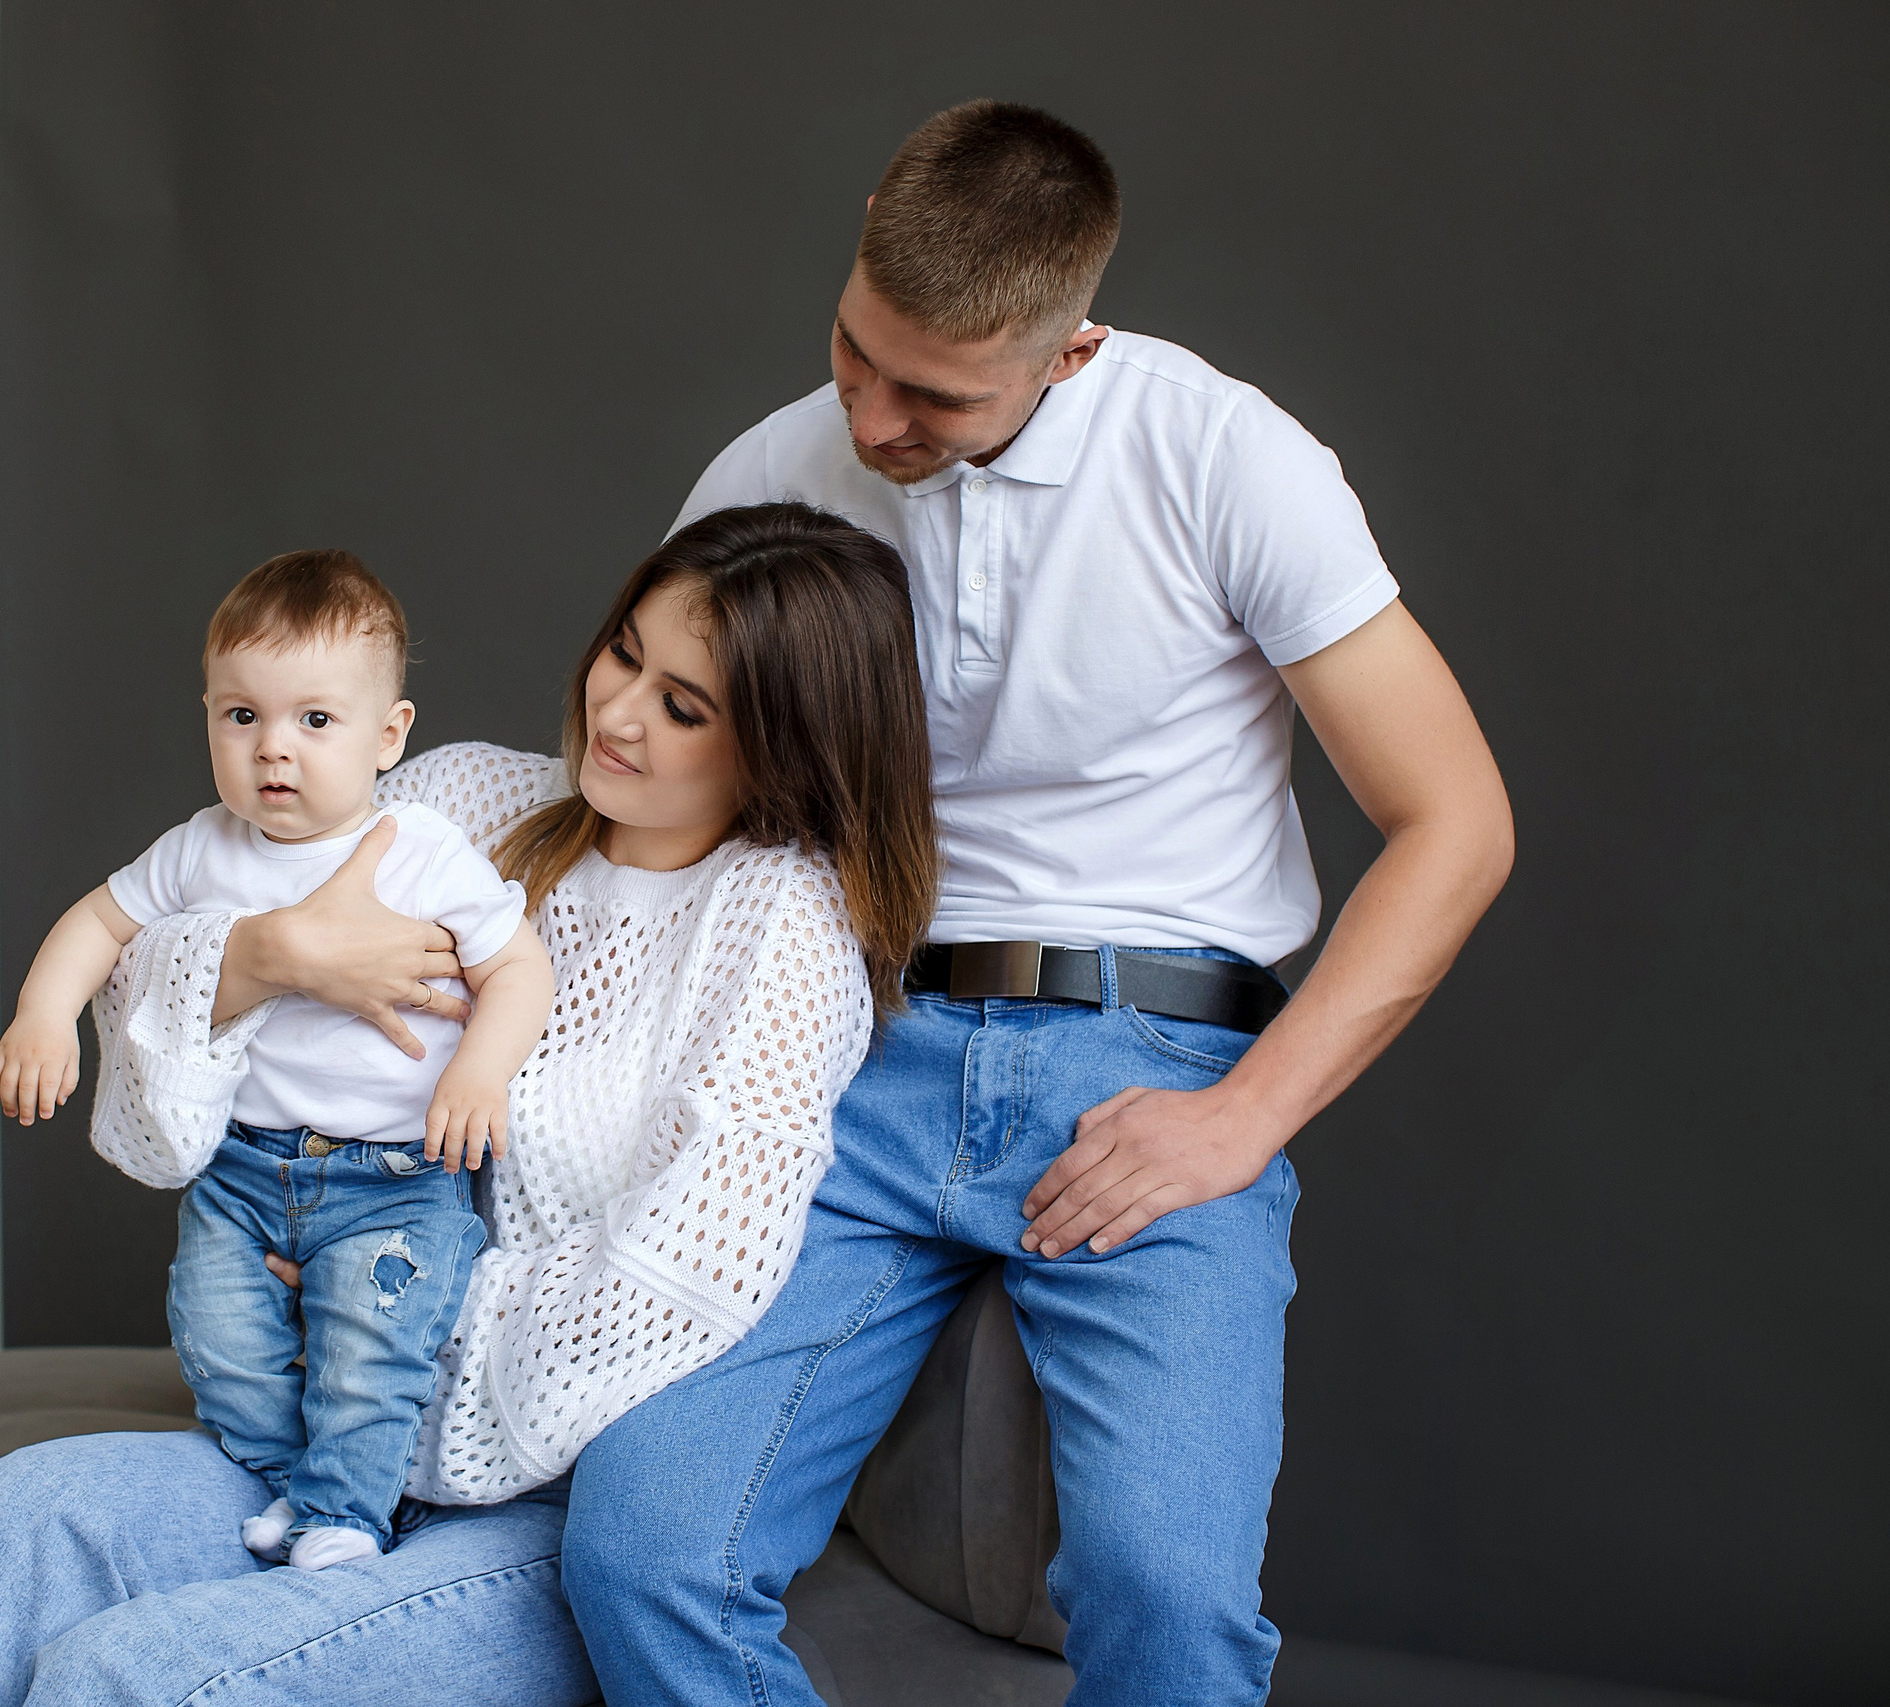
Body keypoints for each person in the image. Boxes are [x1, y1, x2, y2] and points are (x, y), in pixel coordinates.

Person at [556, 102, 1516, 1707]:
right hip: (849, 1050)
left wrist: (1242, 1121)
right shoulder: (770, 472)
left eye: (934, 396)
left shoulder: (1224, 458)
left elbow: (1458, 823)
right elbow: (656, 796)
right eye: (855, 352)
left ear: (1072, 350)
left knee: (1166, 1595)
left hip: (1154, 1060)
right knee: (643, 1548)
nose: (870, 417)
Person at [0, 503, 940, 1705]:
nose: (615, 713)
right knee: (15, 1512)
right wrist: (271, 956)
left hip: (532, 1490)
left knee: (122, 1675)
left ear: (785, 746)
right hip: (322, 1428)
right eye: (623, 654)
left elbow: (680, 1276)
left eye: (682, 707)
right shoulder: (462, 802)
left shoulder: (780, 931)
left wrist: (378, 1303)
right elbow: (155, 1088)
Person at [0, 548, 555, 1571]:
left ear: (389, 736)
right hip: (245, 1170)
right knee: (219, 1345)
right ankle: (295, 1483)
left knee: (370, 1356)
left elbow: (518, 966)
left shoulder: (422, 849)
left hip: (395, 1177)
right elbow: (100, 922)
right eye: (241, 715)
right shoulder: (203, 847)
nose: (273, 748)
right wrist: (43, 1014)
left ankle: (346, 1517)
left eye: (315, 719)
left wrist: (478, 1073)